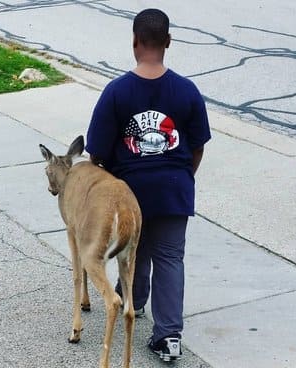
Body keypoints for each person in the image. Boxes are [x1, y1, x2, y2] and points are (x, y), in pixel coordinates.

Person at [85, 8, 211, 362]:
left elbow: (96, 152)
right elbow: (197, 146)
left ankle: (133, 303)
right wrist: (183, 176)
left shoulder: (117, 92)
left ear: (135, 42)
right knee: (170, 257)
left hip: (130, 191)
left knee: (132, 249)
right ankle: (168, 336)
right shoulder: (187, 91)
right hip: (175, 187)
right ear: (169, 42)